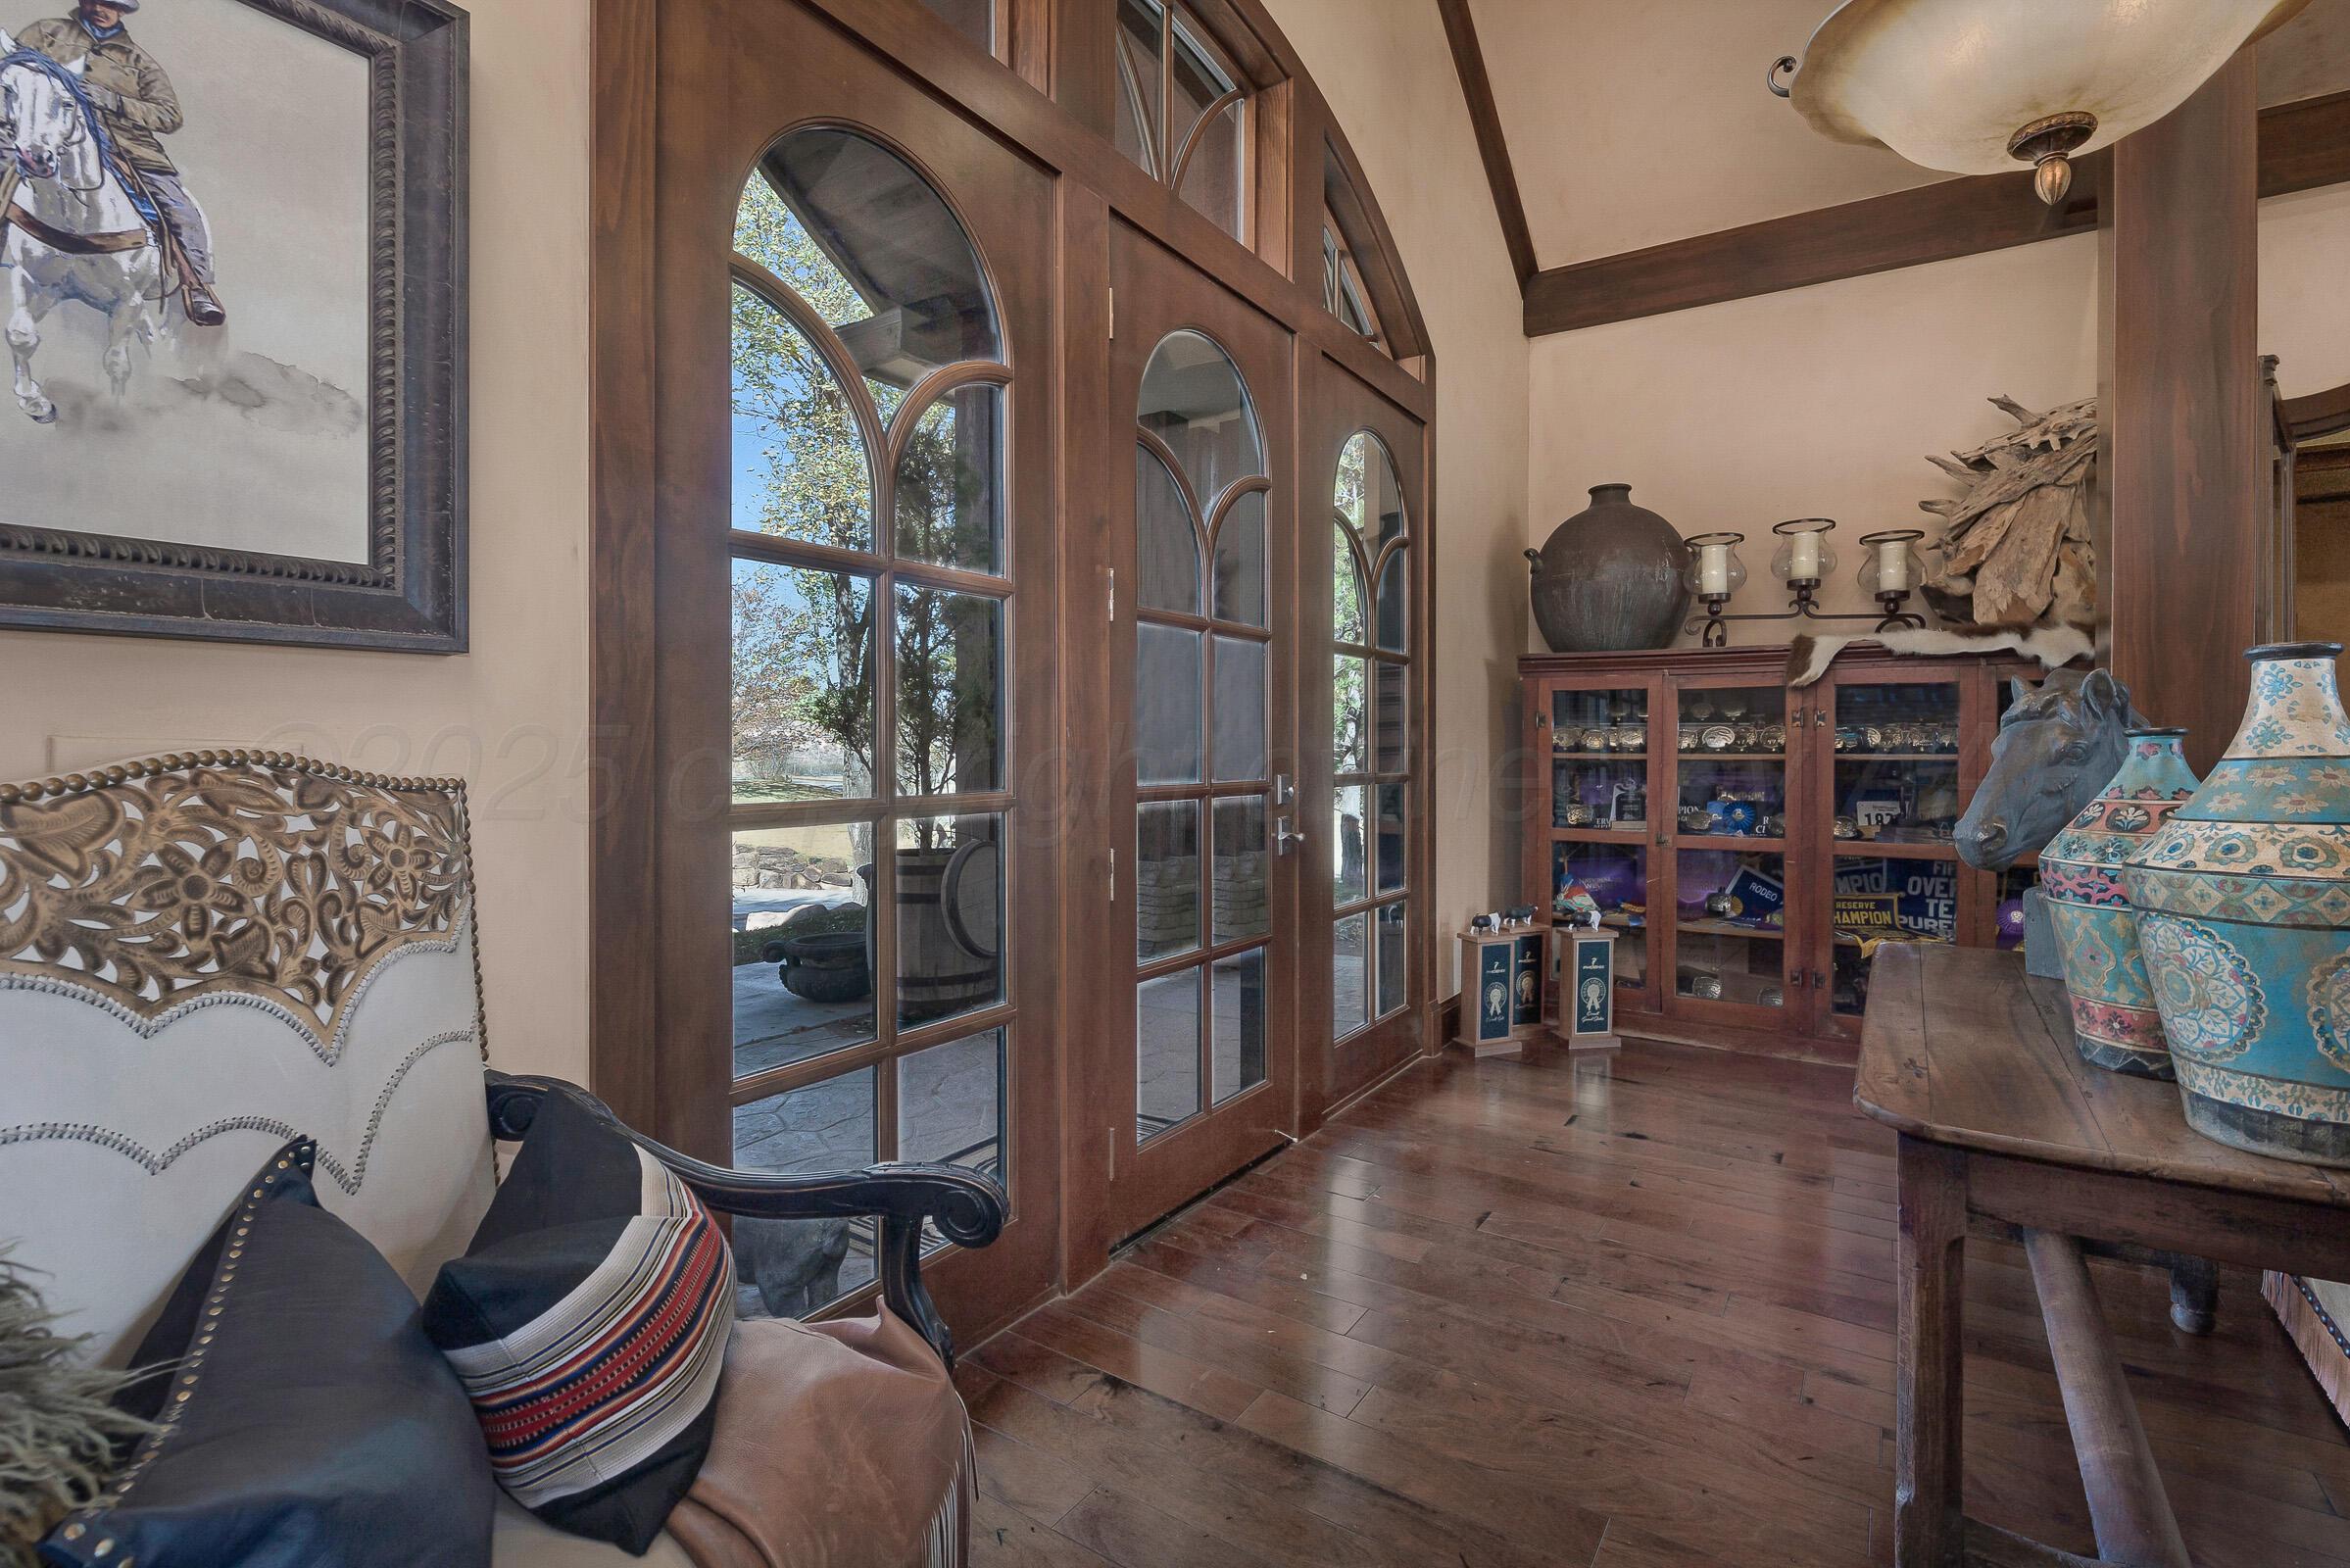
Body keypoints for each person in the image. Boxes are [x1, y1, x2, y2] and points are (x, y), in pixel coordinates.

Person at [18, 0, 224, 324]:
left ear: (123, 10)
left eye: (112, 4)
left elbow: (170, 115)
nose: (102, 8)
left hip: (129, 149)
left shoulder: (141, 63)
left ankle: (196, 286)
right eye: (97, 0)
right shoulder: (47, 32)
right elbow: (13, 72)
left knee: (180, 211)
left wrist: (115, 102)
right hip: (45, 135)